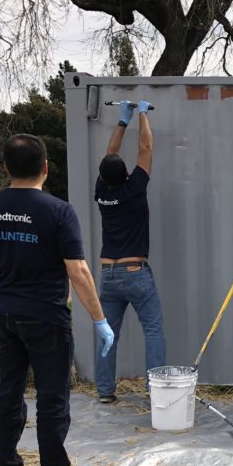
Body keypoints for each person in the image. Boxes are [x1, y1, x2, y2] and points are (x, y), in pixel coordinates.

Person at [0, 134, 115, 466]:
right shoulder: (58, 211)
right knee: (52, 398)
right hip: (46, 318)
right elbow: (78, 271)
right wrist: (99, 319)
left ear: (6, 167)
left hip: (4, 316)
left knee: (8, 394)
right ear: (46, 168)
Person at [93, 99, 164, 403]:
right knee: (153, 330)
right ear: (125, 175)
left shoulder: (101, 190)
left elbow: (110, 154)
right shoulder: (133, 188)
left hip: (108, 274)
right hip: (135, 272)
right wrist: (143, 116)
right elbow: (146, 150)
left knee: (109, 334)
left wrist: (122, 121)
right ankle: (156, 392)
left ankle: (106, 392)